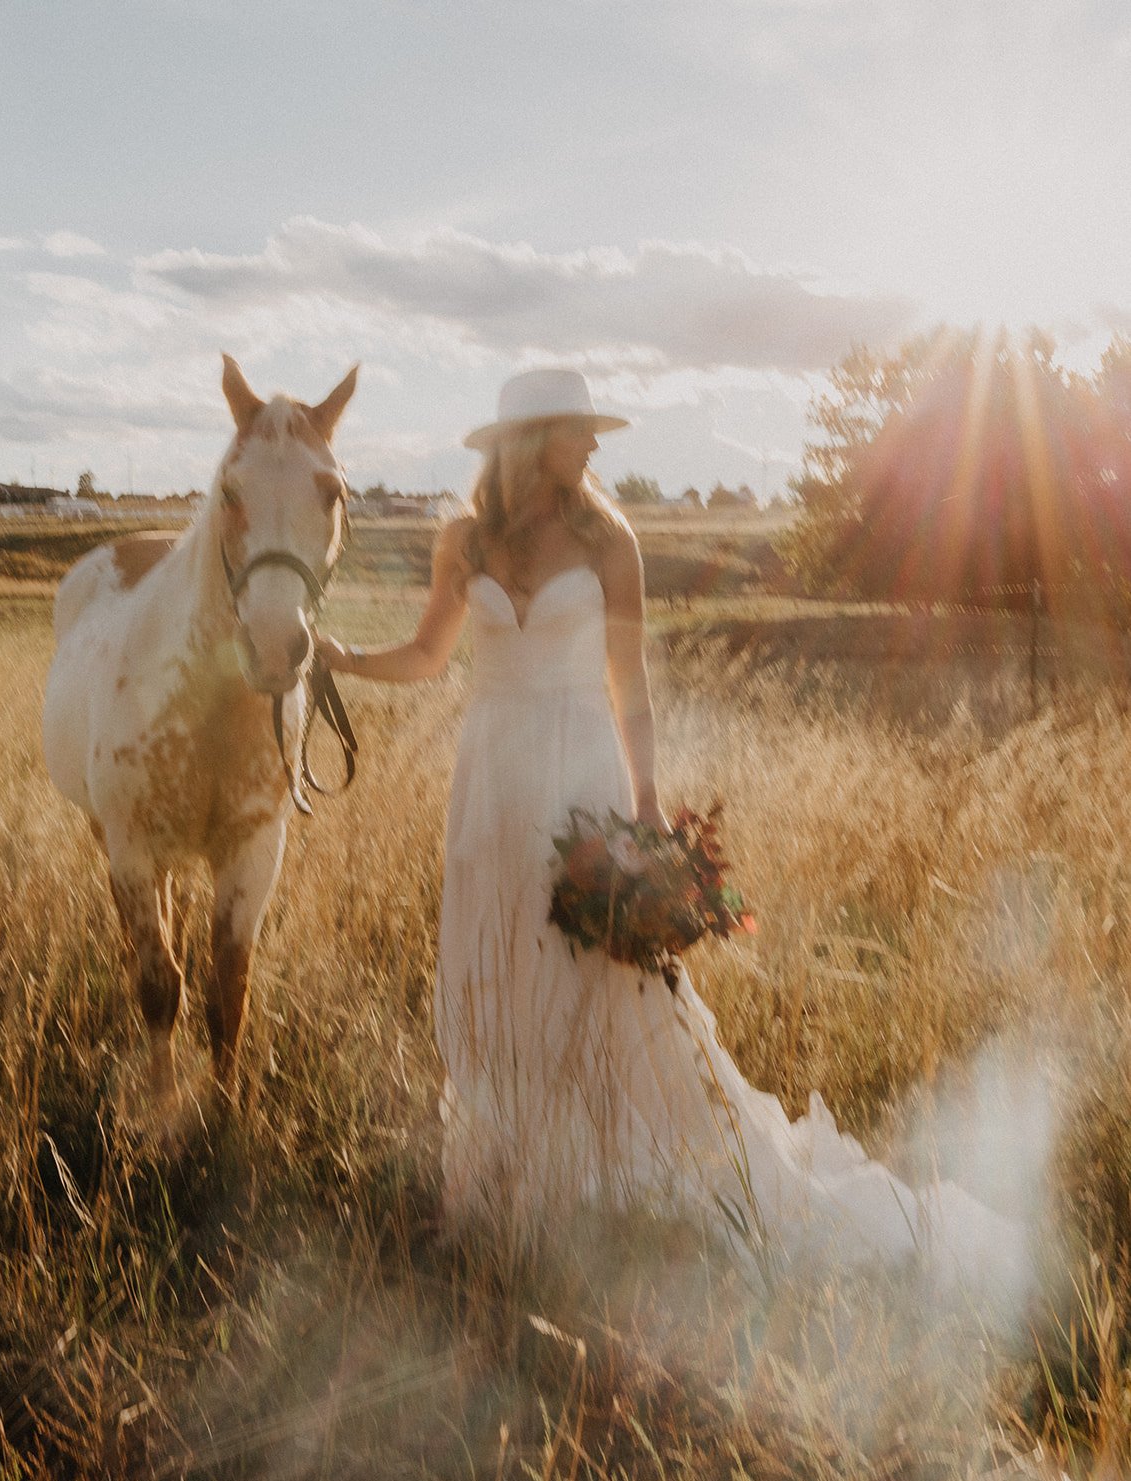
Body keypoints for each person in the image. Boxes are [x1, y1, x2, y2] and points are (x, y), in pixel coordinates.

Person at [317, 369, 1027, 1305]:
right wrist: (341, 660)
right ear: (534, 442)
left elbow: (630, 685)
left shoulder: (610, 542)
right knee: (491, 973)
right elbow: (425, 655)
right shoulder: (464, 540)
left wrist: (645, 801)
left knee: (591, 978)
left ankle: (590, 1180)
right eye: (582, 431)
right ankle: (492, 1186)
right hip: (489, 782)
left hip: (580, 775)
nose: (597, 448)